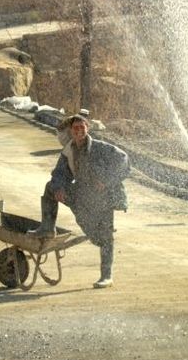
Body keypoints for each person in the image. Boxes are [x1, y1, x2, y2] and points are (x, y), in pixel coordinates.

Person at [32, 114, 130, 289]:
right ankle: (47, 227)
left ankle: (106, 276)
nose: (79, 131)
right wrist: (59, 188)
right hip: (81, 196)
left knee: (104, 237)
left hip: (103, 198)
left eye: (82, 127)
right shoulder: (69, 151)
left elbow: (123, 160)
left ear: (87, 129)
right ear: (71, 131)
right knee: (50, 187)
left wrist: (107, 180)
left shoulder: (100, 148)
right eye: (75, 128)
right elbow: (59, 174)